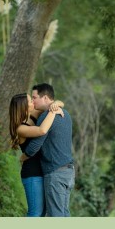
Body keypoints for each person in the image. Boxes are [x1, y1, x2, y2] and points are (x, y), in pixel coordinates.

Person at [22, 83, 75, 216]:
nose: (33, 101)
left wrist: (23, 156)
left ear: (45, 98)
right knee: (64, 213)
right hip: (69, 172)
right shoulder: (66, 114)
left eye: (34, 97)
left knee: (55, 215)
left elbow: (34, 146)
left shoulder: (46, 116)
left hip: (55, 173)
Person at [8, 93, 64, 217]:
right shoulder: (20, 128)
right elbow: (42, 130)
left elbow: (60, 103)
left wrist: (56, 104)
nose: (33, 102)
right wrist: (53, 112)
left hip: (42, 171)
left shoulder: (33, 116)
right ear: (23, 106)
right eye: (30, 101)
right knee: (35, 213)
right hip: (32, 174)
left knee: (42, 213)